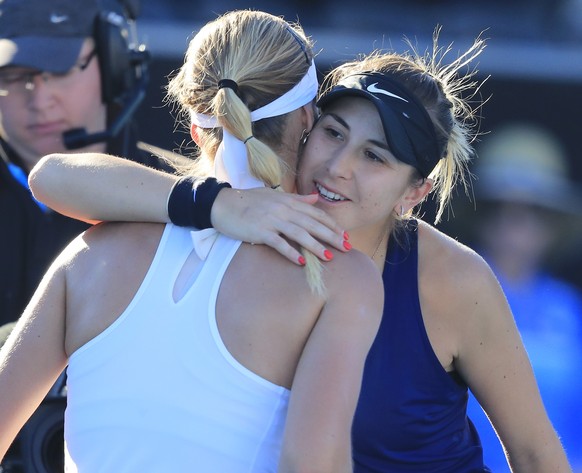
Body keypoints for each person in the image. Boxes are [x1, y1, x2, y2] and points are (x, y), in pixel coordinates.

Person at [29, 27, 573, 472]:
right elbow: (54, 177)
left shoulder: (451, 279)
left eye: (374, 158)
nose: (338, 167)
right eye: (334, 133)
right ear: (305, 125)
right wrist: (219, 205)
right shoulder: (242, 219)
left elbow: (534, 453)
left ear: (415, 194)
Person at [0, 9, 384, 472]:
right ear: (306, 116)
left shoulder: (87, 256)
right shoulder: (341, 276)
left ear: (194, 125)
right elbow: (313, 465)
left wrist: (217, 205)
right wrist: (224, 207)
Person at [0, 0, 176, 330]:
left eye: (60, 71)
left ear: (116, 65)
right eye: (12, 76)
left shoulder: (183, 202)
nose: (39, 100)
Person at [461, 123, 582, 472]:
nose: (516, 222)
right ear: (483, 214)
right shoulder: (445, 288)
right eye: (502, 207)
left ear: (553, 223)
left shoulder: (568, 308)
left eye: (534, 210)